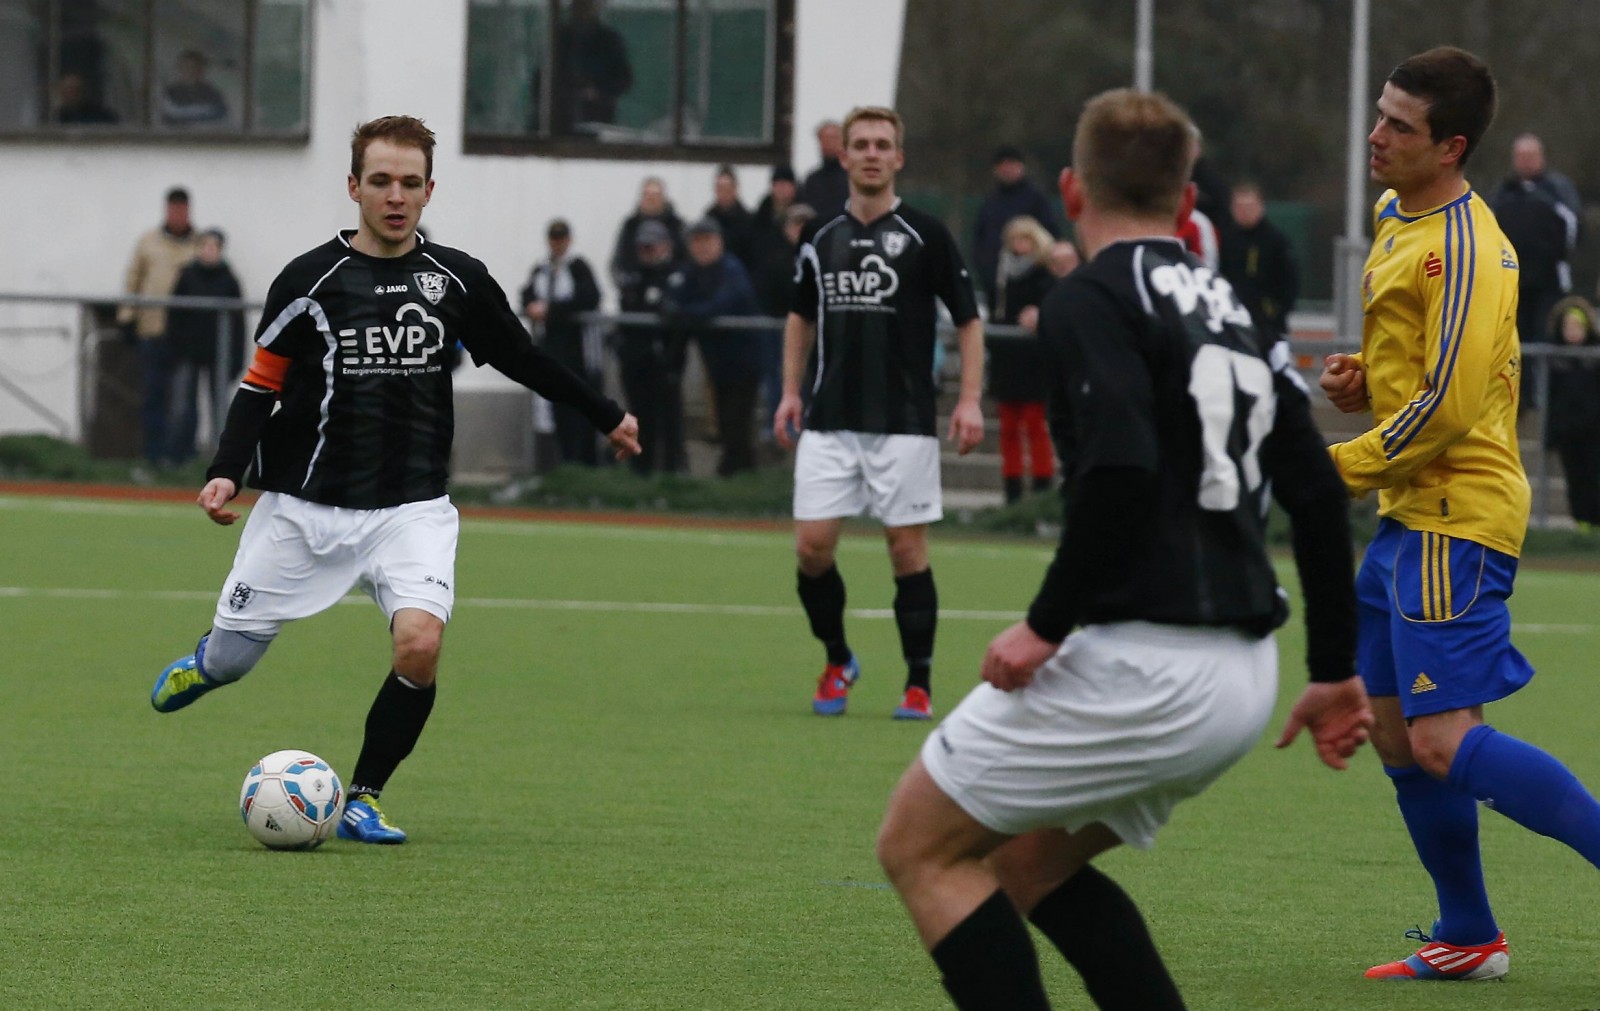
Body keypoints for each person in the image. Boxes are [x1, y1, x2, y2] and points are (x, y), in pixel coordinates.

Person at [876, 86, 1371, 1011]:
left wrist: (1044, 626)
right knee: (1029, 862)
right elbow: (1314, 490)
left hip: (1148, 662)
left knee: (918, 847)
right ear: (1190, 203)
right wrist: (1336, 665)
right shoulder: (1237, 307)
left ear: (1069, 190)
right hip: (1243, 678)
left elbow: (1120, 471)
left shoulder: (1088, 299)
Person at [147, 116, 640, 846]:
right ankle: (207, 663)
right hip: (302, 510)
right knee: (233, 656)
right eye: (380, 181)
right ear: (354, 186)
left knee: (419, 645)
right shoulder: (308, 278)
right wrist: (226, 471)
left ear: (429, 188)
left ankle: (362, 795)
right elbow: (260, 383)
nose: (396, 195)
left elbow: (523, 359)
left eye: (411, 182)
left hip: (410, 508)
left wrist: (605, 413)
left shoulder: (457, 281)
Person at [1320, 46, 1600, 981]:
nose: (1377, 133)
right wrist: (1366, 384)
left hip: (1454, 513)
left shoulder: (1473, 250)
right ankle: (1470, 934)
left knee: (1441, 738)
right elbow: (1424, 373)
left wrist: (1340, 463)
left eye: (1399, 124)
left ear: (1452, 147)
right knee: (1398, 733)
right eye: (1381, 113)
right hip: (1408, 513)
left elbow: (1447, 409)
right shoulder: (1398, 212)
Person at [773, 105, 985, 721]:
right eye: (860, 143)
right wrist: (791, 392)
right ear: (844, 157)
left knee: (905, 550)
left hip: (905, 421)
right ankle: (838, 659)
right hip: (830, 418)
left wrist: (969, 399)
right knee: (812, 550)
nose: (870, 152)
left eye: (882, 144)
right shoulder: (819, 237)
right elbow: (799, 317)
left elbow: (969, 321)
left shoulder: (927, 235)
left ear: (899, 157)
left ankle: (917, 683)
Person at [670, 217, 764, 476]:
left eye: (707, 241)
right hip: (717, 363)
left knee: (736, 421)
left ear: (719, 242)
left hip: (743, 360)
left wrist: (688, 313)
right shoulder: (691, 272)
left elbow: (723, 304)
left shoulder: (731, 269)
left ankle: (734, 474)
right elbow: (674, 300)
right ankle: (740, 475)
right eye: (696, 242)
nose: (702, 247)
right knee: (725, 421)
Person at [119, 186, 200, 471]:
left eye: (182, 209)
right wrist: (127, 317)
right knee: (153, 396)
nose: (178, 215)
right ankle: (152, 457)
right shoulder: (148, 243)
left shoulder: (199, 245)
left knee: (184, 402)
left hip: (185, 338)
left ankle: (181, 461)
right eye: (173, 209)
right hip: (153, 332)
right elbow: (133, 280)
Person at [521, 218, 605, 467]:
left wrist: (551, 310)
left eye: (561, 238)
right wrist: (532, 306)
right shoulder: (542, 267)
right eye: (553, 238)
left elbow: (589, 297)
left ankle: (580, 461)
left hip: (577, 350)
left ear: (568, 240)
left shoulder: (578, 266)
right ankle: (560, 462)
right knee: (554, 407)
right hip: (550, 346)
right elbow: (527, 293)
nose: (557, 243)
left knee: (577, 408)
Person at [988, 215, 1058, 504]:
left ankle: (1042, 488)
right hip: (1007, 360)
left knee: (1035, 425)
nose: (1019, 245)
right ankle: (1012, 491)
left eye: (1025, 239)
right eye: (1015, 239)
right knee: (1008, 428)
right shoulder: (1002, 275)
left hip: (1033, 361)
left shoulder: (1045, 277)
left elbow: (1052, 311)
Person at [1491, 132, 1579, 353]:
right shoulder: (1503, 192)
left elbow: (1573, 226)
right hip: (1511, 282)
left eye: (1530, 155)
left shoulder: (1557, 189)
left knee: (1547, 340)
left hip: (1550, 283)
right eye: (1521, 155)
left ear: (1542, 156)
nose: (1526, 160)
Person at [166, 229, 245, 466]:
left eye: (214, 247)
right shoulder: (187, 276)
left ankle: (218, 462)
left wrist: (235, 360)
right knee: (182, 408)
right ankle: (177, 459)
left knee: (219, 410)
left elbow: (238, 323)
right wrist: (174, 349)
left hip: (218, 356)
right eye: (205, 246)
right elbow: (174, 316)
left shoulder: (229, 280)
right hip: (187, 354)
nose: (209, 251)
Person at [615, 219, 689, 475]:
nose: (647, 252)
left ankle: (672, 474)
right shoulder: (634, 276)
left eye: (652, 246)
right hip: (636, 360)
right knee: (639, 418)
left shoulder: (676, 275)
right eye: (643, 247)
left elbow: (674, 315)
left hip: (666, 360)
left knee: (669, 420)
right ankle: (641, 473)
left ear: (666, 246)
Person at [971, 145, 1062, 303]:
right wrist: (987, 273)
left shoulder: (1037, 199)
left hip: (1032, 291)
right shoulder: (990, 202)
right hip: (997, 287)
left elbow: (1051, 237)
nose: (1007, 169)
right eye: (1002, 164)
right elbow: (980, 240)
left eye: (1011, 163)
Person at [1544, 297, 1600, 529]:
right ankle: (1581, 523)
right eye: (1568, 327)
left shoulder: (1594, 358)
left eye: (1577, 327)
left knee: (1594, 478)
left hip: (1594, 430)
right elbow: (1550, 397)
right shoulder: (1555, 360)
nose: (1573, 332)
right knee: (1574, 479)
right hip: (1567, 430)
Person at [1219, 181, 1300, 341]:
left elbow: (1289, 281)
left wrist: (1275, 315)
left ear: (1260, 207)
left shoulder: (1276, 241)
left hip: (1268, 328)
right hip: (1233, 323)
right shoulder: (1226, 239)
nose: (1244, 212)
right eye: (1240, 208)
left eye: (1249, 207)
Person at [553, 0, 633, 130]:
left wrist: (598, 91)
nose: (582, 10)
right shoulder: (560, 38)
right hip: (560, 122)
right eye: (579, 5)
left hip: (598, 120)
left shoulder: (608, 40)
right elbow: (544, 80)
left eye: (587, 5)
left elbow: (623, 79)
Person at [611, 177, 687, 287]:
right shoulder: (630, 226)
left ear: (663, 198)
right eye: (647, 195)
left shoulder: (677, 226)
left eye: (656, 195)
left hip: (672, 290)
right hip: (635, 290)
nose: (651, 200)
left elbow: (688, 259)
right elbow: (617, 262)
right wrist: (625, 283)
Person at [704, 164, 757, 272]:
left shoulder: (749, 221)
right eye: (720, 189)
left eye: (727, 189)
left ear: (735, 189)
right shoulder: (708, 220)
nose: (724, 193)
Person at [159, 49, 229, 127]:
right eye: (187, 67)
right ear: (179, 68)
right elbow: (168, 116)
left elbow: (221, 115)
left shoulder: (213, 93)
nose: (191, 71)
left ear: (202, 70)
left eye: (195, 67)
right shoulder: (170, 92)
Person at [799, 120, 849, 217]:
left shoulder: (854, 177)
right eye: (824, 139)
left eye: (833, 138)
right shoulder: (812, 180)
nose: (828, 143)